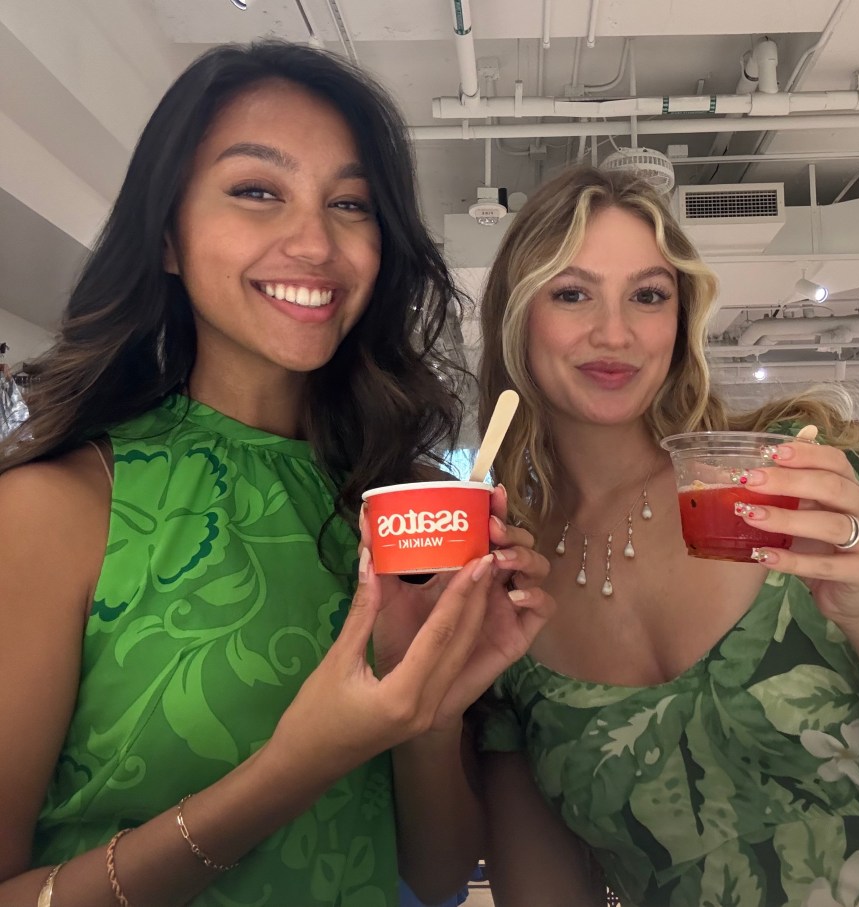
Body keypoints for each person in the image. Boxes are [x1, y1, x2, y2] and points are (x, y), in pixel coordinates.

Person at [0, 41, 553, 907]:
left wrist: (428, 703)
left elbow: (438, 874)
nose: (316, 242)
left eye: (350, 203)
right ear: (169, 235)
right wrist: (298, 765)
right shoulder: (54, 508)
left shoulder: (397, 507)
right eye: (258, 191)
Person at [474, 164, 859, 906]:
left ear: (678, 318)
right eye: (572, 293)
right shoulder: (508, 591)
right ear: (518, 316)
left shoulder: (797, 480)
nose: (615, 332)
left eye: (648, 296)